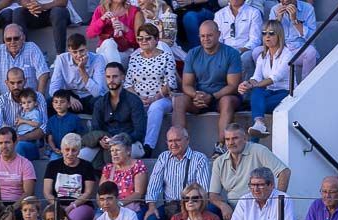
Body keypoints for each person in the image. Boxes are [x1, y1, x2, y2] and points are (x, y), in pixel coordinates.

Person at [172, 20, 240, 155]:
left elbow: (233, 85)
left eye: (209, 35)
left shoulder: (231, 53)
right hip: (200, 97)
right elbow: (186, 84)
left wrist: (212, 96)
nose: (205, 39)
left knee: (227, 101)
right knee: (179, 101)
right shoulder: (193, 53)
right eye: (202, 36)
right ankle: (179, 145)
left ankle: (221, 146)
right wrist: (195, 95)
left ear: (218, 34)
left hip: (223, 96)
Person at [142, 126, 212, 220]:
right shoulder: (164, 157)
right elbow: (154, 184)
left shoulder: (199, 158)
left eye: (177, 140)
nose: (173, 144)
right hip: (170, 206)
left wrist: (191, 209)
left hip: (192, 206)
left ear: (187, 140)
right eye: (170, 141)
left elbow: (202, 191)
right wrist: (152, 206)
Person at [209, 124, 290, 220]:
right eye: (227, 139)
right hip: (232, 209)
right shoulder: (219, 162)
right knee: (209, 211)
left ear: (245, 138)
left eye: (235, 138)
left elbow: (284, 172)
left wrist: (276, 201)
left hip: (256, 205)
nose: (231, 143)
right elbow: (213, 194)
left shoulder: (258, 150)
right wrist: (223, 206)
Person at [43, 133, 98, 220]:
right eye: (67, 150)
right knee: (47, 216)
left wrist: (71, 206)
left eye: (74, 150)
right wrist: (58, 206)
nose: (70, 153)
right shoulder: (53, 165)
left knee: (73, 219)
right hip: (57, 204)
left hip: (81, 205)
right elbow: (47, 192)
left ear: (79, 151)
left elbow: (88, 193)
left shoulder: (87, 166)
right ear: (62, 150)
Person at [123, 24, 176, 158]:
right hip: (138, 98)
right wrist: (138, 99)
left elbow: (171, 83)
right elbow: (128, 84)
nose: (143, 41)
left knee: (155, 107)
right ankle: (127, 145)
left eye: (148, 38)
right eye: (140, 39)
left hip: (162, 99)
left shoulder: (166, 56)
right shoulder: (135, 57)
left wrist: (154, 98)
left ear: (157, 40)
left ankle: (148, 147)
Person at [80, 61, 144, 169]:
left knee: (117, 153)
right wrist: (101, 140)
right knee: (80, 156)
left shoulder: (134, 101)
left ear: (122, 77)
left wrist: (119, 141)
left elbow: (139, 132)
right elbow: (96, 128)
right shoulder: (100, 102)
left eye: (115, 76)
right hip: (106, 144)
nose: (111, 80)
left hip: (130, 143)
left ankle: (112, 179)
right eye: (108, 77)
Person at [0, 24, 50, 110]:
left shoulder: (31, 48)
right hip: (7, 103)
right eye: (8, 39)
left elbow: (43, 74)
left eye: (16, 38)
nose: (12, 42)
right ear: (4, 40)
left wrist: (39, 98)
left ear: (23, 38)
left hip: (29, 102)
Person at [239, 23, 291, 141]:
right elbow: (256, 77)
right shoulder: (263, 55)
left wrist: (252, 86)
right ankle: (259, 123)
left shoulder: (287, 54)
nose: (267, 36)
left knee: (257, 104)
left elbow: (275, 78)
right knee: (257, 93)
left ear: (279, 35)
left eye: (271, 33)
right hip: (269, 93)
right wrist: (247, 83)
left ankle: (254, 140)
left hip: (286, 93)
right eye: (264, 33)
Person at [0, 66, 46, 158]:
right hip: (6, 144)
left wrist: (22, 138)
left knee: (18, 146)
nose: (16, 86)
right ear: (6, 83)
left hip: (29, 144)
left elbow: (44, 128)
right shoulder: (0, 101)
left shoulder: (37, 97)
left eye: (19, 82)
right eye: (12, 83)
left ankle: (15, 172)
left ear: (25, 81)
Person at [49, 34, 105, 115]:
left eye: (81, 50)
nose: (78, 55)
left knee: (100, 103)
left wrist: (82, 70)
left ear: (86, 48)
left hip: (90, 96)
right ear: (69, 50)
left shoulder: (98, 59)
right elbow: (53, 90)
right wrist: (68, 98)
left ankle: (97, 127)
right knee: (49, 103)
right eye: (74, 52)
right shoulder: (61, 59)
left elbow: (97, 93)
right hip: (69, 96)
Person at [7, 0, 79, 58]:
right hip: (37, 12)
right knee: (18, 12)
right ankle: (24, 56)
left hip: (57, 11)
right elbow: (23, 1)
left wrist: (43, 6)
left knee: (57, 12)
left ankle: (60, 57)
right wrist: (32, 6)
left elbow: (63, 2)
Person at [0, 128, 36, 203]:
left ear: (15, 142)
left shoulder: (26, 164)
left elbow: (28, 193)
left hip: (17, 205)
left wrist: (12, 208)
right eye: (0, 143)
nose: (4, 146)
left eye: (7, 142)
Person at [268, 0, 315, 79]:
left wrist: (294, 20)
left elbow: (311, 37)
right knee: (256, 52)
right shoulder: (274, 9)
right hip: (279, 48)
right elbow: (269, 37)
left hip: (298, 49)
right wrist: (278, 20)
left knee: (311, 52)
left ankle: (306, 83)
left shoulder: (308, 8)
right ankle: (268, 84)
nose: (285, 1)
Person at [101, 134, 147, 212]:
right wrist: (103, 206)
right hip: (109, 207)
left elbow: (139, 193)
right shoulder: (108, 168)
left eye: (118, 150)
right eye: (112, 150)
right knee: (98, 219)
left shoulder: (138, 165)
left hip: (131, 207)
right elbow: (100, 192)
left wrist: (118, 204)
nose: (114, 154)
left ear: (128, 151)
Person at [215, 0, 262, 77]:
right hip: (225, 50)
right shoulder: (219, 14)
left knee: (245, 58)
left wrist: (240, 50)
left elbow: (255, 40)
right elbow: (218, 39)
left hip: (246, 50)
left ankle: (246, 87)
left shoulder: (254, 12)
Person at [86, 0, 140, 65]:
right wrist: (102, 20)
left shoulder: (133, 11)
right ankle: (116, 71)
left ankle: (112, 71)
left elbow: (138, 40)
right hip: (104, 49)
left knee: (106, 60)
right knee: (109, 43)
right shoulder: (101, 9)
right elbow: (90, 34)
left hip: (125, 51)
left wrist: (125, 29)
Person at [46, 90, 87, 157]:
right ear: (53, 104)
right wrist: (54, 149)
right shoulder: (51, 120)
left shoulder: (75, 119)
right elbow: (50, 139)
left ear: (69, 104)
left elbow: (80, 137)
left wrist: (73, 150)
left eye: (62, 102)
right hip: (57, 151)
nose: (58, 104)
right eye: (56, 102)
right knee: (54, 161)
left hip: (72, 152)